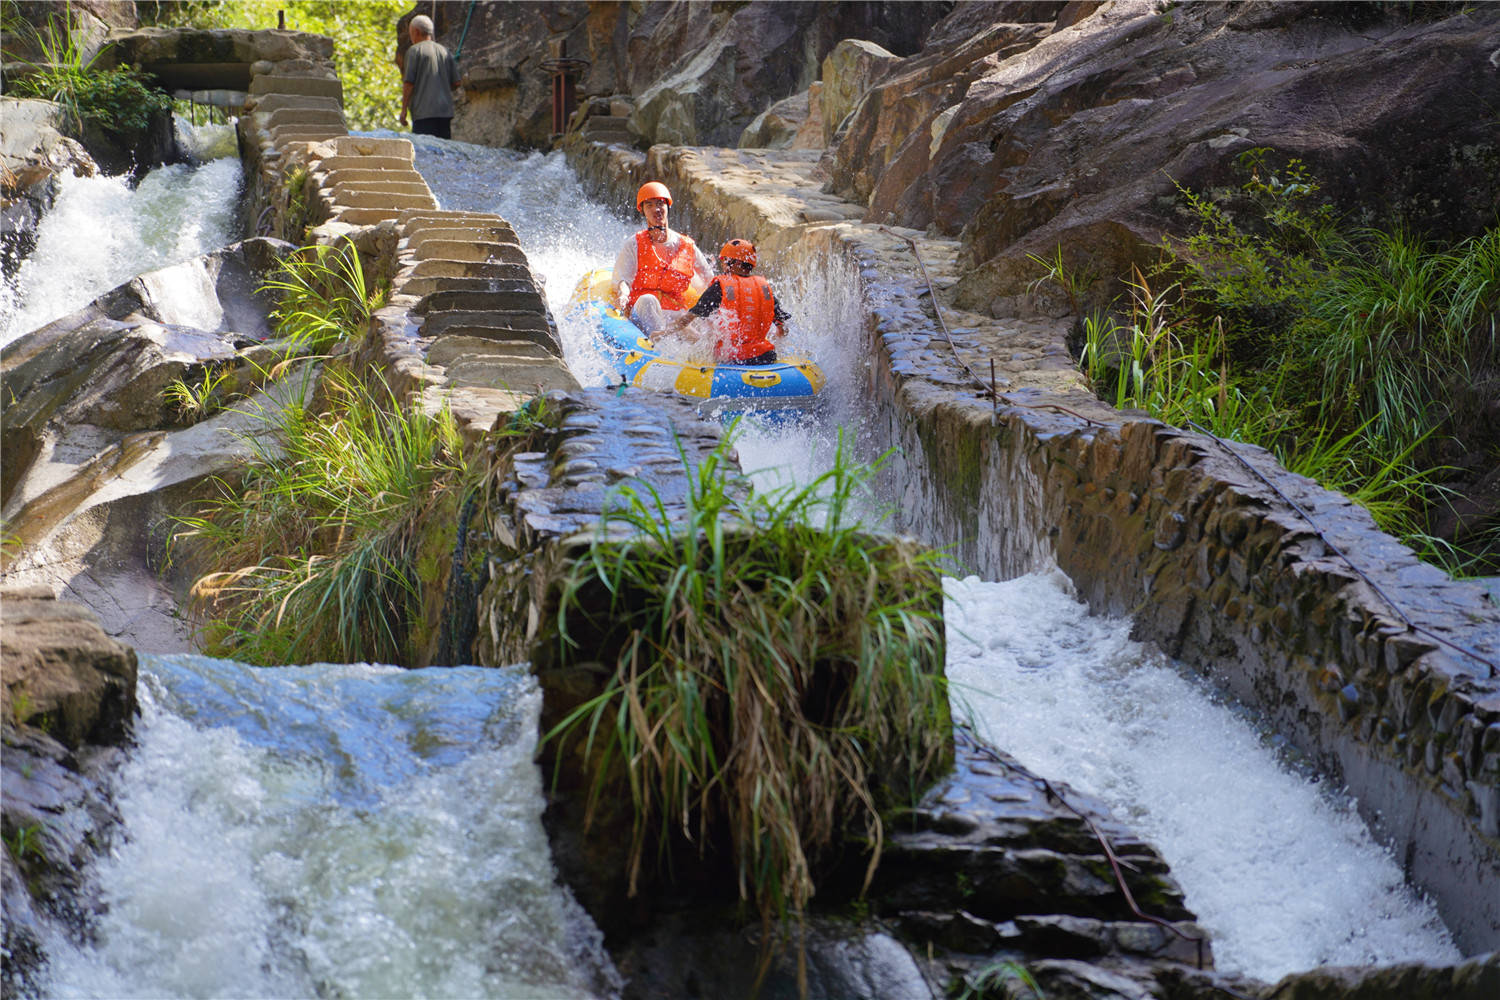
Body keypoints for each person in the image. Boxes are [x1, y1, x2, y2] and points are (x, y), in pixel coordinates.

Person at [611, 181, 715, 334]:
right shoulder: (634, 243)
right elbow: (622, 279)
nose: (656, 209)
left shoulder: (687, 246)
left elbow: (711, 283)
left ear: (667, 206)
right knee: (648, 300)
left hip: (675, 314)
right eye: (649, 205)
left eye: (660, 204)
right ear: (643, 211)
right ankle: (659, 343)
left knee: (702, 329)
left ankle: (687, 351)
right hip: (641, 311)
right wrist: (623, 295)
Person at [669, 238, 790, 366]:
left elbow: (685, 321)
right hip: (765, 355)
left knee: (696, 343)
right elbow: (783, 330)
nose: (723, 265)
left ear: (736, 262)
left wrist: (661, 333)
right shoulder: (765, 288)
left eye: (725, 260)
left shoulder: (720, 287)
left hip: (732, 357)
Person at [399, 14, 459, 139]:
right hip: (445, 113)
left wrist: (403, 110)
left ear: (416, 32)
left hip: (423, 114)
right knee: (444, 152)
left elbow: (409, 83)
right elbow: (457, 83)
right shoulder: (445, 51)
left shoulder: (414, 51)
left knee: (426, 152)